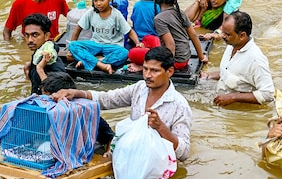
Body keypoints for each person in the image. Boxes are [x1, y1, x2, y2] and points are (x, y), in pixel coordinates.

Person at [52, 46, 193, 162]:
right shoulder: (139, 88)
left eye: (154, 70)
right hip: (131, 155)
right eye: (145, 69)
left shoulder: (179, 105)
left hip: (156, 164)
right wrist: (77, 93)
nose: (147, 75)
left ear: (169, 72)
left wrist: (161, 127)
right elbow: (107, 99)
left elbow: (184, 153)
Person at [201, 11, 275, 107]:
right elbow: (229, 72)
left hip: (241, 113)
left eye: (227, 34)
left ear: (242, 36)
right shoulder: (232, 45)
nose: (223, 36)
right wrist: (207, 76)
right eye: (223, 32)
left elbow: (268, 94)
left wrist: (233, 97)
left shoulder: (256, 60)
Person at [68, 0, 141, 74]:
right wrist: (70, 49)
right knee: (73, 45)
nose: (98, 3)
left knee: (124, 53)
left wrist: (138, 43)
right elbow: (78, 29)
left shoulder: (116, 15)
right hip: (95, 44)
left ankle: (90, 61)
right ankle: (101, 65)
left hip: (112, 46)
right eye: (95, 0)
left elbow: (129, 32)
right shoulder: (91, 13)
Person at [41, 71, 115, 156]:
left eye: (47, 99)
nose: (44, 102)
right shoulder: (44, 114)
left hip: (90, 150)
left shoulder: (87, 116)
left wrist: (109, 152)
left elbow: (111, 137)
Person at [154, 0, 208, 70]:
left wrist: (168, 68)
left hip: (176, 62)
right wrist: (201, 57)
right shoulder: (180, 13)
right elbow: (193, 35)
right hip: (186, 57)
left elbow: (171, 45)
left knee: (137, 54)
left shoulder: (159, 19)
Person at [23, 13, 66, 95]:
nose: (30, 40)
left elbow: (56, 95)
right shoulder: (38, 53)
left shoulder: (52, 63)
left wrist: (40, 69)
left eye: (35, 35)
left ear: (46, 36)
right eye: (26, 35)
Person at [127, 0, 163, 69]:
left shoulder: (137, 5)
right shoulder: (158, 6)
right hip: (154, 42)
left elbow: (134, 21)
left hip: (137, 41)